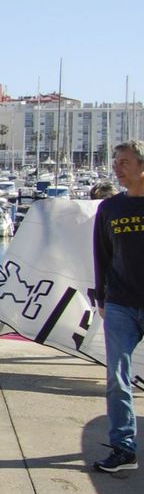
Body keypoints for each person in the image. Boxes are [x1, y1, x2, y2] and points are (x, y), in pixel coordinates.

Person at [92, 140, 144, 474]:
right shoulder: (109, 209)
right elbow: (102, 255)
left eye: (124, 161)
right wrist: (101, 297)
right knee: (117, 378)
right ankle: (124, 447)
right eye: (115, 161)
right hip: (120, 305)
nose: (117, 167)